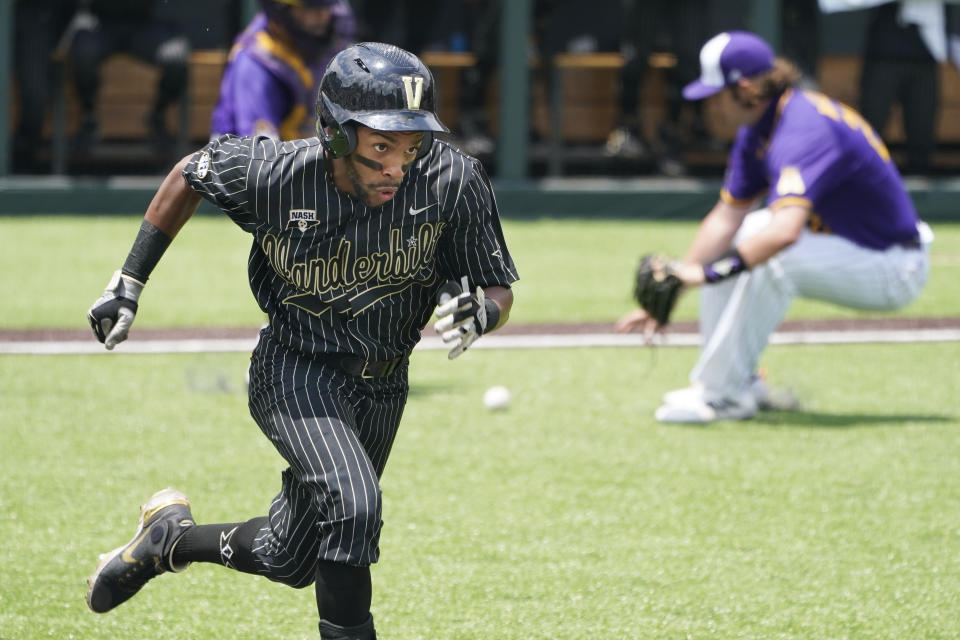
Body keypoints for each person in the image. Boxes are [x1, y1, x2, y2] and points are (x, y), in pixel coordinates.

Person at [83, 42, 519, 639]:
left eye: (411, 145)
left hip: (385, 384)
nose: (398, 165)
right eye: (382, 147)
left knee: (294, 558)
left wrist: (482, 313)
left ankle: (169, 541)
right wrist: (129, 279)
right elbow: (193, 171)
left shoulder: (452, 179)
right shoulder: (277, 174)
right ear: (338, 136)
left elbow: (496, 286)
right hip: (296, 367)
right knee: (356, 505)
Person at [615, 30, 933, 423]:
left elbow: (784, 234)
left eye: (715, 96)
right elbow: (726, 218)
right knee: (749, 233)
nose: (709, 107)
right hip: (848, 246)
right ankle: (736, 382)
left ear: (745, 89)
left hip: (892, 264)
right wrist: (681, 278)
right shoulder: (759, 127)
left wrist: (710, 273)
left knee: (772, 256)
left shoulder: (803, 128)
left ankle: (724, 396)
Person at [210, 0, 356, 140]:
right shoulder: (256, 64)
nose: (323, 16)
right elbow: (261, 156)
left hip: (300, 153)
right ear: (281, 8)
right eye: (312, 8)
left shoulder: (323, 36)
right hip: (244, 160)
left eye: (327, 6)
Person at [67, 0, 190, 153]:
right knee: (83, 53)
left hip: (143, 23)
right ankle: (88, 117)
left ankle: (157, 116)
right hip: (99, 22)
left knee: (175, 57)